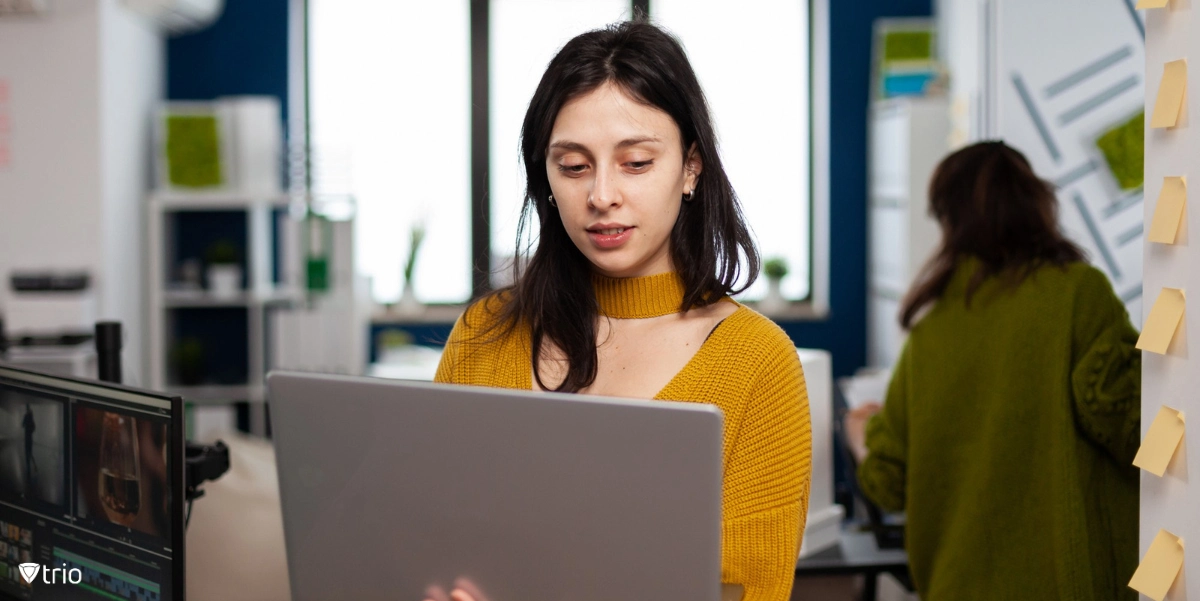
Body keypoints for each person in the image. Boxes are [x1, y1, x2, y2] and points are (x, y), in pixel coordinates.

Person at [430, 20, 812, 601]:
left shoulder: (757, 365)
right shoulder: (482, 337)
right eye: (574, 166)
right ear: (546, 181)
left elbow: (749, 588)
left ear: (690, 166)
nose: (602, 195)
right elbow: (429, 544)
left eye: (635, 162)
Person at [845, 141, 1140, 600]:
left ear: (949, 219)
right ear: (1036, 202)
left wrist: (860, 432)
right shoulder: (1079, 295)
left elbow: (889, 481)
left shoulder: (933, 331)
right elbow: (1132, 426)